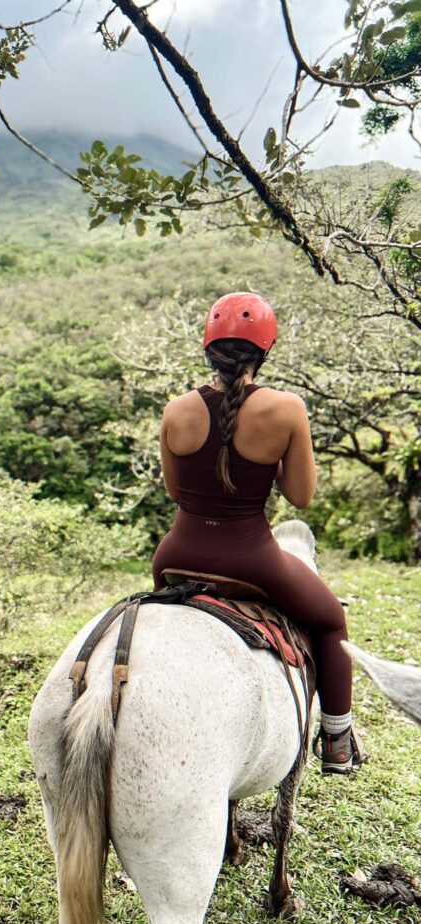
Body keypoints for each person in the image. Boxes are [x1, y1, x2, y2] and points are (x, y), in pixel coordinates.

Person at [151, 291, 365, 775]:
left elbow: (174, 492)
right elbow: (301, 497)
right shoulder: (286, 409)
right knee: (331, 620)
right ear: (264, 352)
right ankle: (335, 740)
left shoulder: (175, 409)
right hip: (252, 559)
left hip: (175, 555)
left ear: (208, 350)